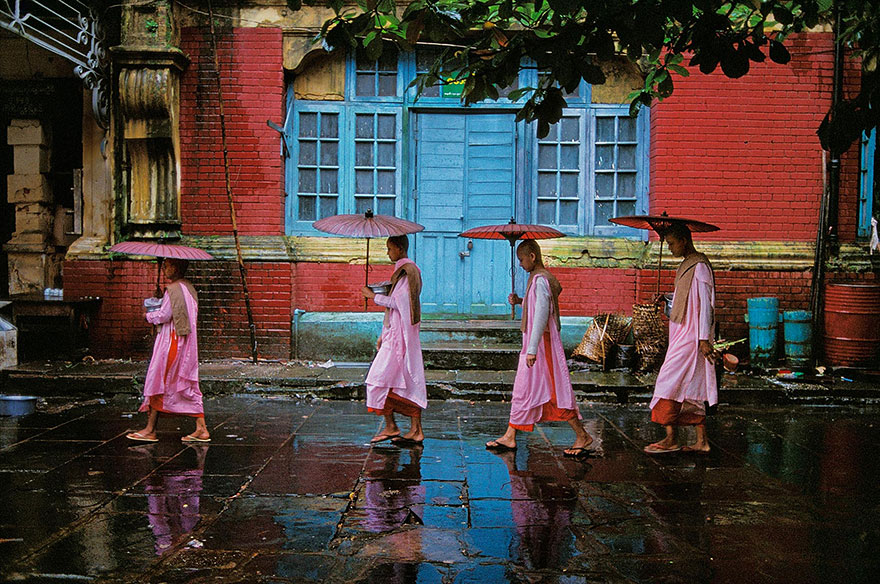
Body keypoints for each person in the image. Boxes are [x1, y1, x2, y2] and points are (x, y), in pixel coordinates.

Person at [485, 240, 593, 457]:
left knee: (553, 391)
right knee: (526, 389)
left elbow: (542, 315)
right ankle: (510, 434)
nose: (521, 264)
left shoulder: (541, 281)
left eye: (522, 259)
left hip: (540, 347)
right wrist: (521, 301)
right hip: (535, 346)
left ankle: (582, 435)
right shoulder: (537, 281)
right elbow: (536, 305)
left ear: (532, 256)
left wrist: (532, 349)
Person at [644, 222, 716, 454]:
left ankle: (671, 438)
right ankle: (701, 441)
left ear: (684, 240)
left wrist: (704, 338)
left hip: (692, 336)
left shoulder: (700, 266)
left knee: (667, 383)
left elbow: (706, 305)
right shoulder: (687, 265)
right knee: (691, 386)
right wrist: (666, 299)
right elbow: (685, 298)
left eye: (672, 243)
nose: (671, 248)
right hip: (683, 334)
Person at [127, 258, 210, 443]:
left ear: (178, 267)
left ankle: (150, 429)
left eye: (168, 265)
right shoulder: (188, 288)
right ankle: (201, 427)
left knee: (160, 381)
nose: (165, 269)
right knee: (184, 384)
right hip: (185, 343)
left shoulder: (173, 290)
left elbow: (164, 315)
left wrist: (148, 315)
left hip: (172, 342)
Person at [361, 234, 427, 446]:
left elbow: (401, 305)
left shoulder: (408, 272)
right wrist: (384, 332)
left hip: (401, 338)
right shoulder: (402, 272)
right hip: (394, 334)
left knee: (379, 379)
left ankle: (393, 426)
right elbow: (396, 307)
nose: (387, 252)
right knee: (401, 380)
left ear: (399, 248)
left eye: (389, 248)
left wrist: (373, 297)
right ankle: (412, 429)